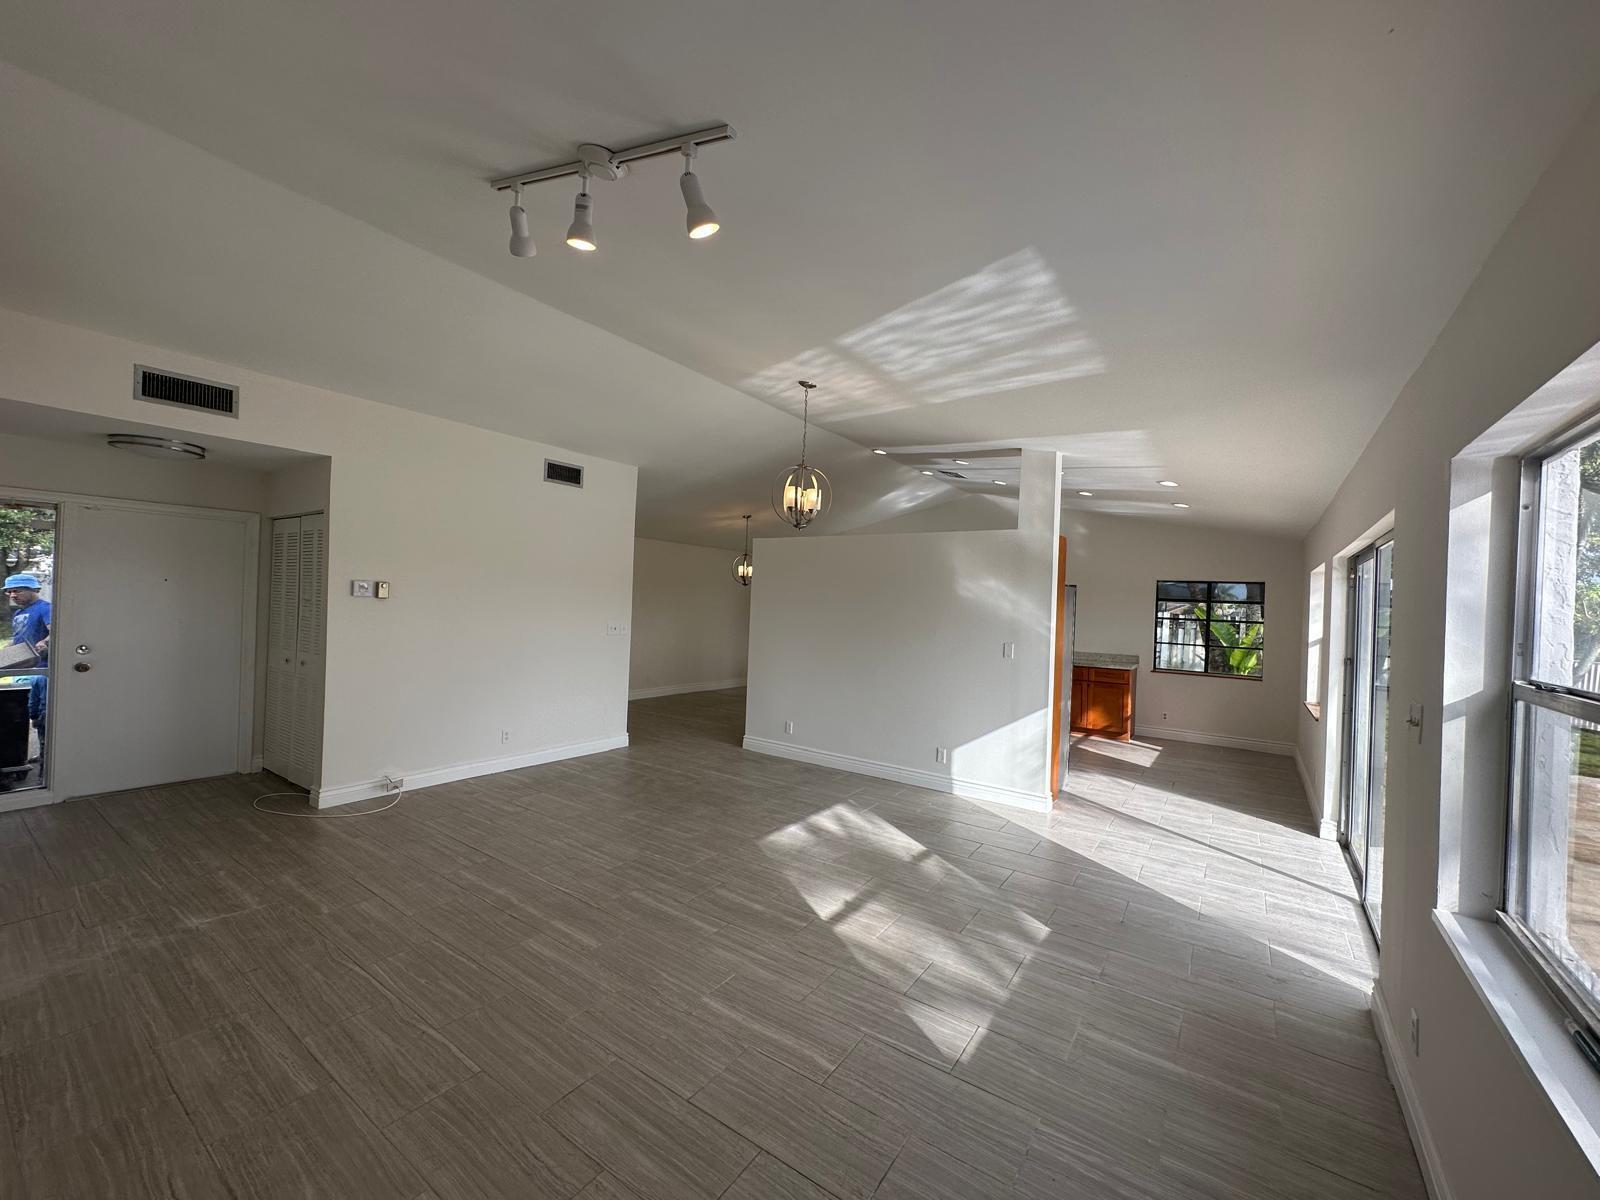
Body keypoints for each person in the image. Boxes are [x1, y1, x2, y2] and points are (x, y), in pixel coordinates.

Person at [4, 573, 50, 740]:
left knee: (43, 714)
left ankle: (47, 754)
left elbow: (56, 632)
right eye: (9, 592)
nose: (12, 595)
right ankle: (21, 753)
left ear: (34, 589)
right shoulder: (18, 614)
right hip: (21, 670)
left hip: (41, 672)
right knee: (24, 713)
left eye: (17, 591)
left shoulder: (45, 608)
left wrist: (44, 642)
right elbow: (18, 640)